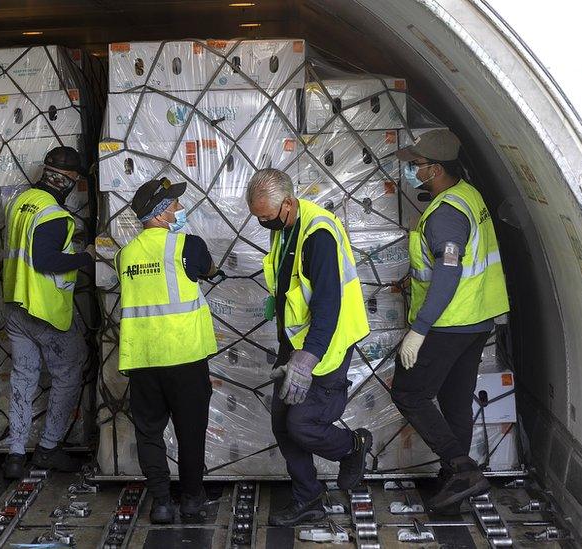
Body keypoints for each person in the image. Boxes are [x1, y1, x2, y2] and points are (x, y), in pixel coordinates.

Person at [389, 128, 510, 512]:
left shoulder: (445, 213)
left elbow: (449, 271)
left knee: (408, 393)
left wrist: (419, 330)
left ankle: (462, 469)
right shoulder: (469, 196)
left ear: (436, 170)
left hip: (449, 322)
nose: (411, 170)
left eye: (416, 165)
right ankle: (455, 485)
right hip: (476, 321)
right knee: (455, 401)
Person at [246, 168, 372, 527]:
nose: (263, 224)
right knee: (282, 423)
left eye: (267, 218)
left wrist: (308, 357)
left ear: (287, 203)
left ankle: (353, 446)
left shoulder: (318, 235)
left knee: (303, 423)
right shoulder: (286, 227)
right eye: (258, 219)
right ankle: (309, 497)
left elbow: (328, 305)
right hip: (296, 341)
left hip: (325, 344)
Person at [115, 177, 220, 524]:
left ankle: (161, 503)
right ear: (160, 215)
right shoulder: (186, 246)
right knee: (191, 431)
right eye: (174, 206)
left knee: (149, 433)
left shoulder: (124, 255)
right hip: (184, 357)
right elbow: (209, 269)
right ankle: (191, 500)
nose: (179, 210)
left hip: (143, 359)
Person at [1, 146, 93, 479]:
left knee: (23, 380)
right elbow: (45, 259)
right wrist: (87, 256)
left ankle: (14, 456)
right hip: (46, 312)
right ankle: (48, 449)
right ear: (67, 179)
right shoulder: (54, 214)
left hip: (16, 307)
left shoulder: (22, 203)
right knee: (68, 374)